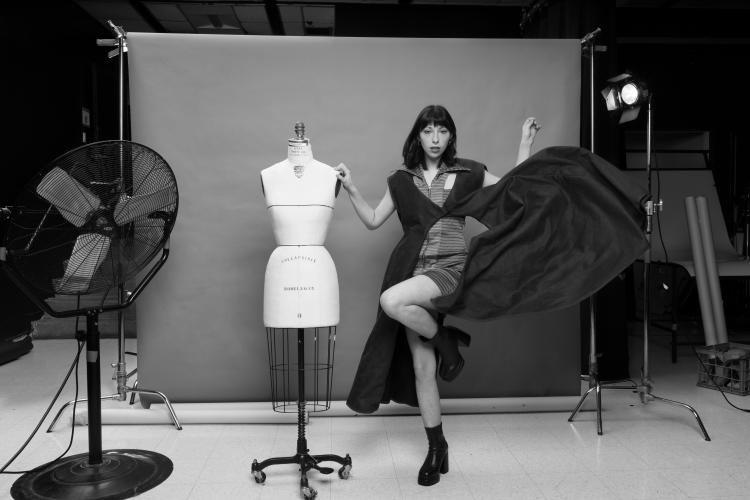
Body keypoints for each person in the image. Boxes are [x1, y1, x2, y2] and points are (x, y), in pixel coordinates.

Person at [333, 104, 540, 486]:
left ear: (450, 136)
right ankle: (437, 447)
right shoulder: (401, 180)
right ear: (418, 136)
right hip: (414, 272)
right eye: (428, 131)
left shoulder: (467, 173)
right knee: (423, 368)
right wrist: (352, 188)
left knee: (391, 301)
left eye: (441, 131)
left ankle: (446, 340)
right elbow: (374, 219)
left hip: (451, 272)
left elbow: (512, 191)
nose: (434, 138)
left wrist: (524, 144)